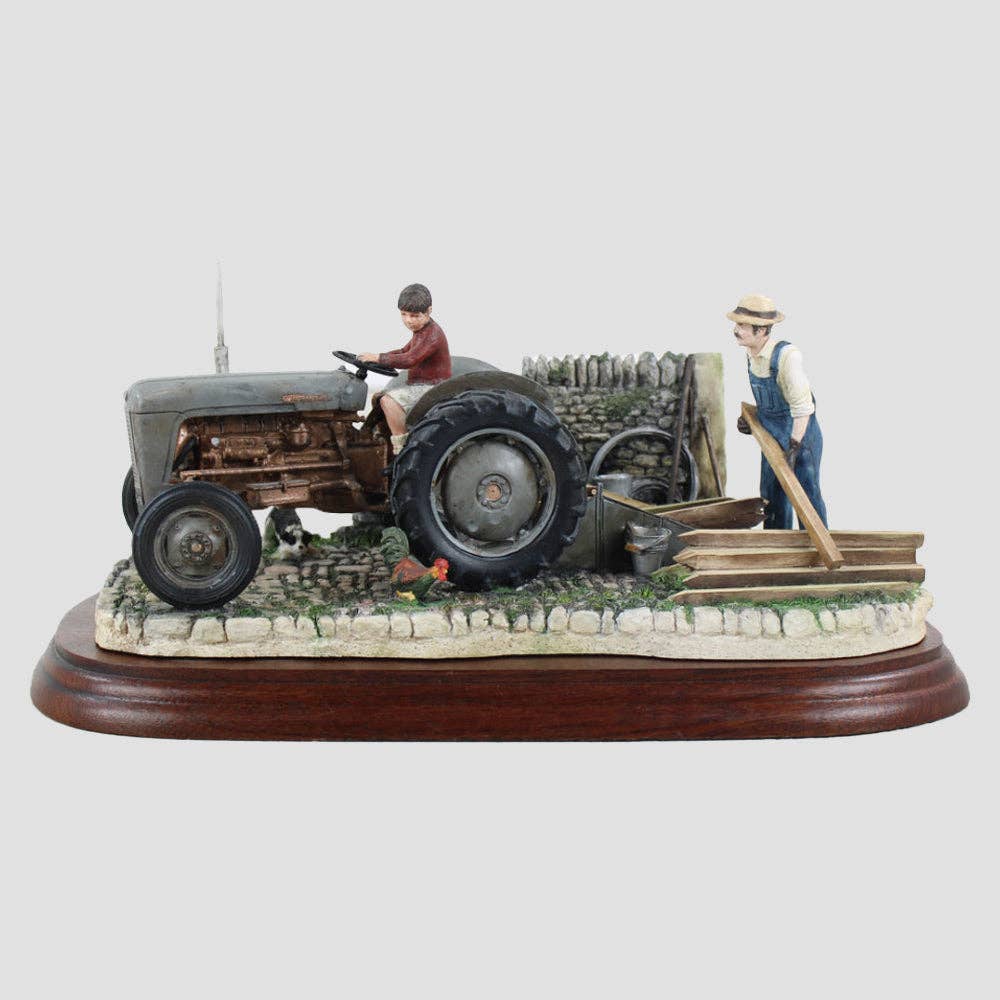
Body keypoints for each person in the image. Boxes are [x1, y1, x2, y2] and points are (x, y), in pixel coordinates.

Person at [729, 293, 828, 529]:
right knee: (771, 494)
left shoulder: (787, 357)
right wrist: (750, 422)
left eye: (742, 325)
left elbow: (803, 408)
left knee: (805, 494)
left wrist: (794, 448)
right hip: (771, 439)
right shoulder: (752, 355)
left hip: (800, 437)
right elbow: (769, 405)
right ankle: (777, 541)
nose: (735, 330)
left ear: (762, 330)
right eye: (737, 324)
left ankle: (814, 545)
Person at [359, 283, 451, 454]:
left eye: (415, 316)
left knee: (388, 401)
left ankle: (402, 448)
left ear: (429, 311)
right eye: (404, 314)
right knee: (378, 398)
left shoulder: (432, 334)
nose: (408, 320)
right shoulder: (422, 331)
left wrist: (378, 358)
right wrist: (378, 359)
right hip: (420, 385)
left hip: (432, 387)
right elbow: (404, 351)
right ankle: (378, 439)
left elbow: (409, 359)